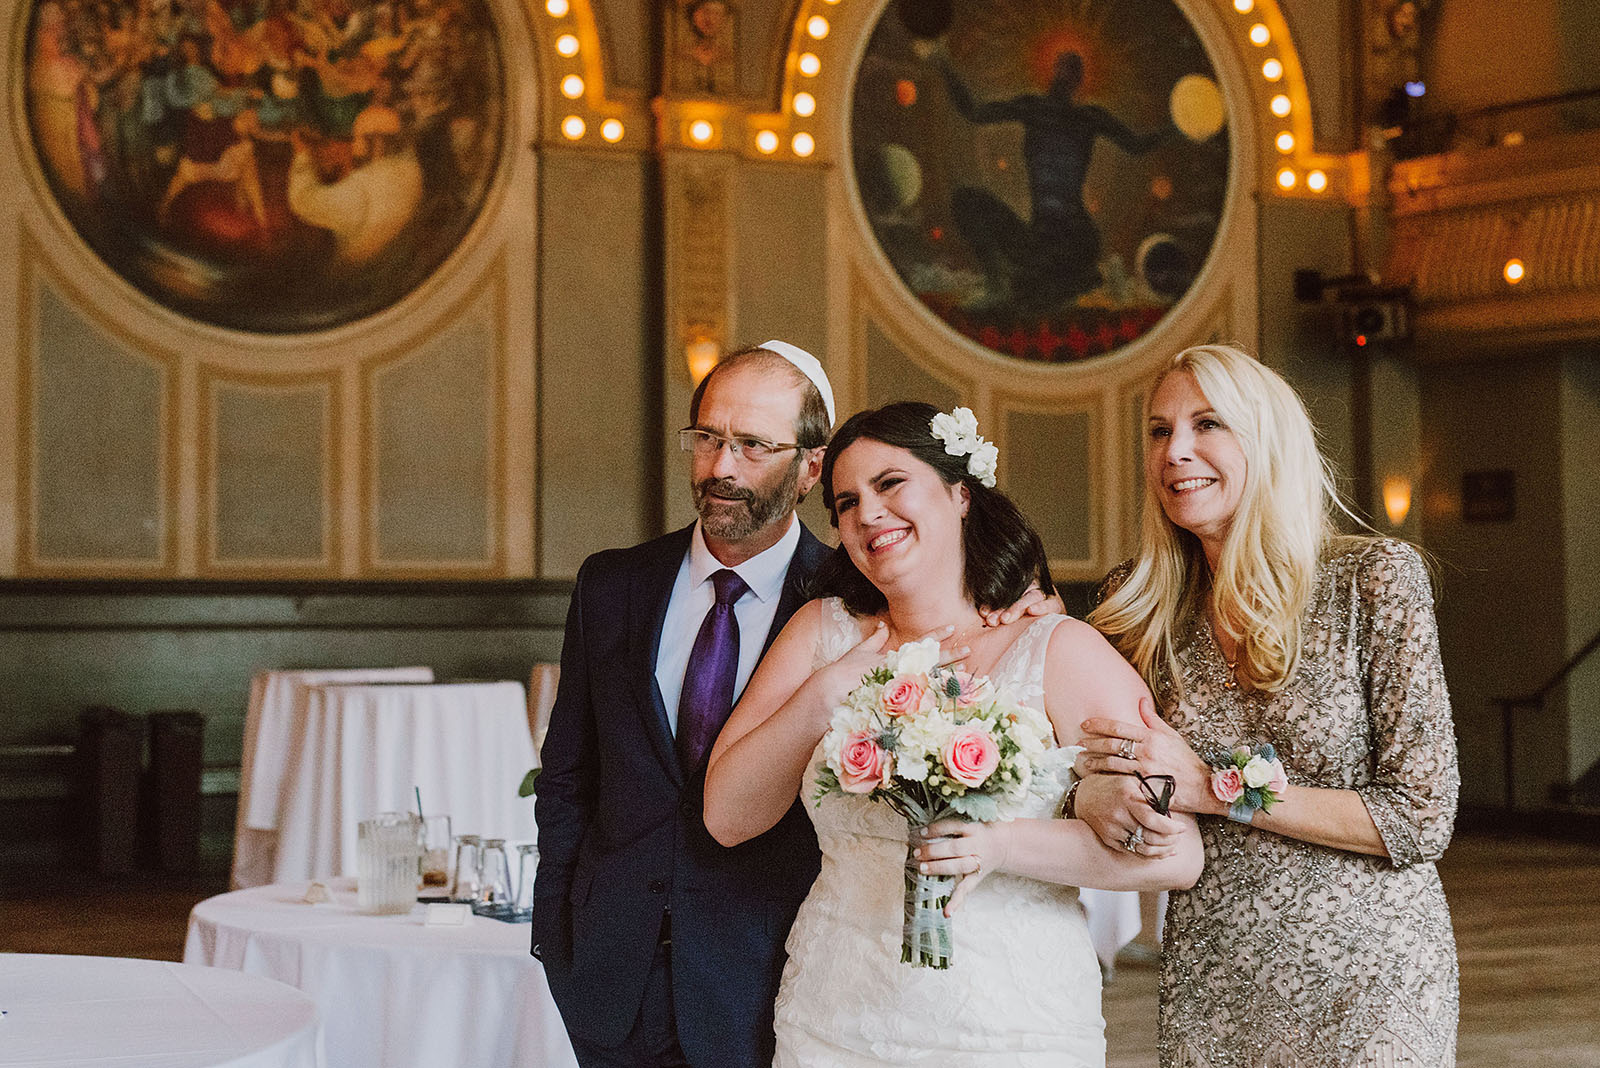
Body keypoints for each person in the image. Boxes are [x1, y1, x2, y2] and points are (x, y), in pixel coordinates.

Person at [532, 346, 1051, 1067]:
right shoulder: (611, 584)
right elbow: (567, 777)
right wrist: (555, 936)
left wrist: (1016, 600)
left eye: (752, 445)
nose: (720, 467)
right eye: (708, 438)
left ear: (811, 468)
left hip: (764, 976)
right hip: (609, 975)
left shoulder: (853, 604)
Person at [704, 402, 1202, 1067]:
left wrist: (1000, 846)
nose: (867, 514)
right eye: (847, 502)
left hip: (1011, 1025)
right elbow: (727, 817)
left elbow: (1176, 856)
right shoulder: (821, 634)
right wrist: (827, 691)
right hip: (835, 1017)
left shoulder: (1058, 649)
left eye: (890, 484)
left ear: (961, 493)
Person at [1075, 343, 1460, 1067]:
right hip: (1213, 977)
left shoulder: (1373, 581)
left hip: (1372, 977)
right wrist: (1095, 793)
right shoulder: (1136, 605)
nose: (1176, 451)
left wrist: (1213, 791)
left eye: (1207, 424)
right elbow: (1093, 765)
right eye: (1159, 431)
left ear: (1266, 440)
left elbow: (1422, 814)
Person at [938, 51, 1167, 311]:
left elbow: (1137, 144)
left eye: (1072, 72)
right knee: (966, 200)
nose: (1065, 76)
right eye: (1063, 69)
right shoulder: (1034, 108)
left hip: (1077, 243)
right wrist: (943, 63)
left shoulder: (1088, 117)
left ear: (1077, 81)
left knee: (1030, 296)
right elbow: (974, 112)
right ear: (1054, 71)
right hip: (1041, 242)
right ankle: (1002, 284)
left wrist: (1178, 127)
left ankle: (1067, 281)